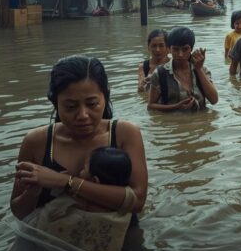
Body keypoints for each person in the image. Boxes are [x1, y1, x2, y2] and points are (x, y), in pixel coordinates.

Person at [11, 55, 148, 225]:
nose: (83, 115)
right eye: (70, 107)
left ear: (105, 97)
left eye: (92, 104)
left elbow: (137, 201)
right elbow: (18, 212)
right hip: (53, 243)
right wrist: (32, 193)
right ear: (56, 103)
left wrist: (64, 181)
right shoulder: (36, 142)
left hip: (117, 242)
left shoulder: (125, 133)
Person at [29, 146, 136, 251]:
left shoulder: (79, 201)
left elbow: (49, 214)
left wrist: (66, 182)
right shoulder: (126, 201)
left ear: (95, 181)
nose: (80, 171)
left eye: (84, 169)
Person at [148, 27, 218, 111]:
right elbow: (151, 106)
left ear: (191, 49)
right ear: (169, 49)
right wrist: (176, 107)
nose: (180, 54)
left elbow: (214, 100)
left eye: (185, 49)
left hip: (200, 121)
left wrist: (199, 69)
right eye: (176, 49)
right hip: (173, 122)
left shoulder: (202, 70)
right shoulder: (160, 74)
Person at [137, 29, 170, 93]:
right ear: (148, 47)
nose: (157, 50)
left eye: (161, 45)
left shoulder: (174, 63)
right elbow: (140, 91)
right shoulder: (143, 66)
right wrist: (143, 84)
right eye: (154, 46)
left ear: (167, 47)